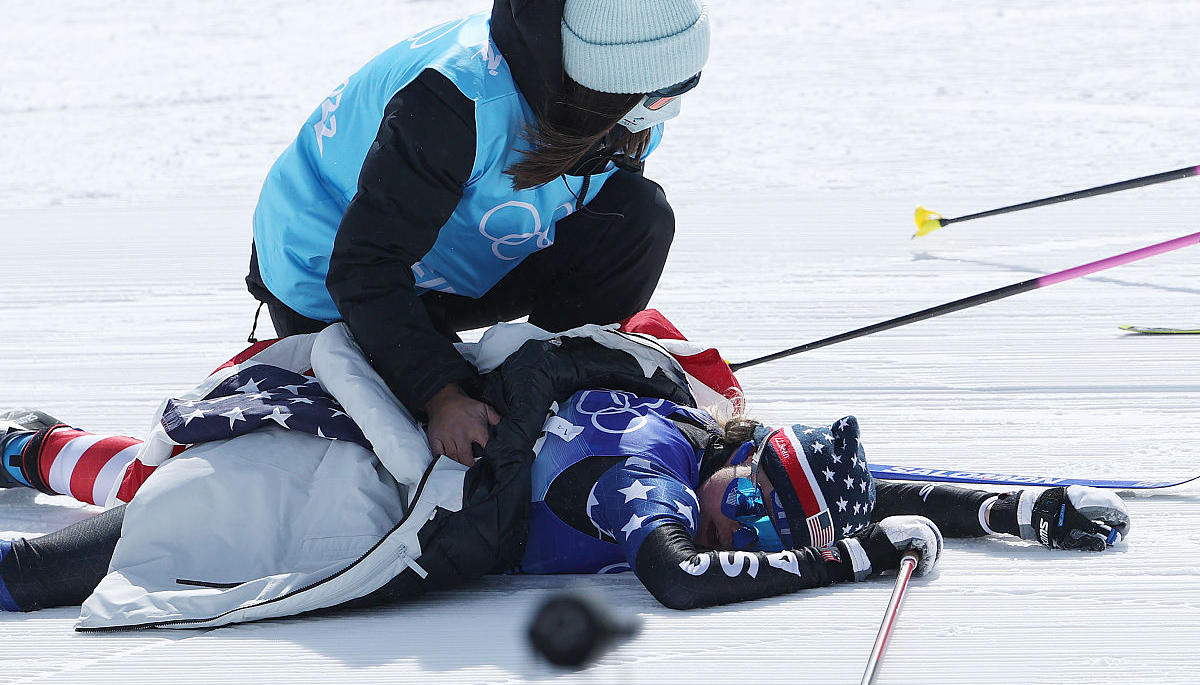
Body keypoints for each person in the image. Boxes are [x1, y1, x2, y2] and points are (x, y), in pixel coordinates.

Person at [0, 318, 1129, 621]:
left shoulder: (704, 440)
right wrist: (845, 563)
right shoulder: (651, 473)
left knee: (167, 466)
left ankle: (31, 441)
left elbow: (868, 484)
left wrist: (1013, 504)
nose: (737, 516)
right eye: (753, 511)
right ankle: (32, 452)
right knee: (90, 555)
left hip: (366, 431)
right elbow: (682, 575)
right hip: (359, 490)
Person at [245, 0, 709, 467]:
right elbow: (363, 267)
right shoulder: (452, 102)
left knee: (639, 215)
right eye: (654, 96)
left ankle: (556, 384)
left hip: (461, 251)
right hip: (332, 272)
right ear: (599, 83)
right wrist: (441, 394)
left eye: (683, 88)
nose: (665, 110)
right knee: (399, 443)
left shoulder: (625, 94)